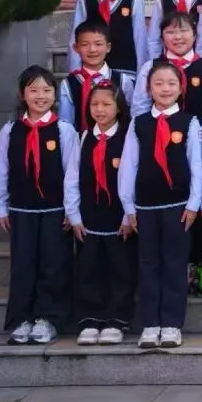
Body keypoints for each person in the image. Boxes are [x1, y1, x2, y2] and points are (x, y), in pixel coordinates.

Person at [0, 66, 80, 345]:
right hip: (22, 209)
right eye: (33, 90)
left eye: (46, 90)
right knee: (23, 264)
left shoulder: (64, 131)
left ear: (55, 95)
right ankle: (21, 319)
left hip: (55, 210)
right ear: (23, 95)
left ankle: (49, 318)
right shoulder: (10, 131)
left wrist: (71, 209)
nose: (40, 96)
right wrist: (1, 206)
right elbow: (1, 170)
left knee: (54, 264)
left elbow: (72, 173)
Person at [119, 60, 202, 349]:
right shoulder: (139, 123)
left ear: (181, 88)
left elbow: (197, 165)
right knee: (148, 264)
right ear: (148, 88)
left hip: (178, 206)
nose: (165, 89)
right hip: (145, 207)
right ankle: (150, 323)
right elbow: (128, 166)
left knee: (174, 263)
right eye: (158, 83)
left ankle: (171, 323)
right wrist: (129, 207)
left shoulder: (189, 122)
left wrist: (193, 204)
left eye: (171, 83)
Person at [73, 81, 137, 346]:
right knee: (89, 268)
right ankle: (90, 318)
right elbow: (72, 177)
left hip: (118, 218)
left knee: (120, 269)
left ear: (119, 107)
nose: (100, 110)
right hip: (89, 216)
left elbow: (132, 177)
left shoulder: (128, 137)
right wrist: (74, 214)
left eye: (106, 104)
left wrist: (128, 215)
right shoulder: (84, 137)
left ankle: (116, 319)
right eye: (95, 104)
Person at [133, 11, 202, 123]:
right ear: (162, 38)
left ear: (195, 35)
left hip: (197, 132)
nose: (178, 37)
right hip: (156, 130)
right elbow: (140, 106)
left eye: (184, 31)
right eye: (170, 32)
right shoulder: (149, 67)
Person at [61, 19, 136, 134]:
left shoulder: (123, 80)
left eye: (98, 44)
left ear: (108, 47)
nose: (92, 49)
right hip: (80, 141)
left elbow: (130, 115)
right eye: (85, 44)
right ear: (76, 48)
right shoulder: (69, 83)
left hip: (117, 140)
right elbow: (66, 122)